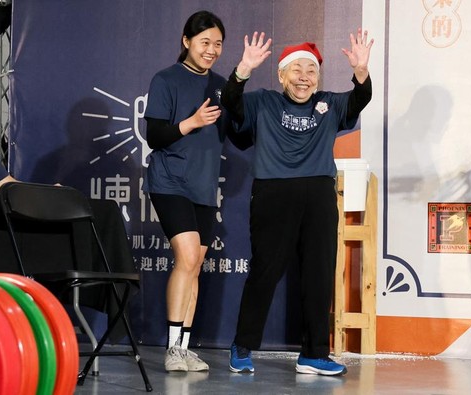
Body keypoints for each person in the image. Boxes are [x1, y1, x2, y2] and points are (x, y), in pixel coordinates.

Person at [222, 29, 374, 376]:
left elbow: (359, 99)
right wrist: (243, 68)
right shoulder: (263, 101)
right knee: (265, 270)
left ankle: (314, 353)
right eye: (296, 70)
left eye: (311, 70)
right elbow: (232, 101)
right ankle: (242, 345)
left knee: (319, 274)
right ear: (281, 75)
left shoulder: (330, 103)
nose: (303, 77)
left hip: (319, 194)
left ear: (318, 77)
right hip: (274, 193)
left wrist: (361, 70)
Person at [142, 10, 249, 372]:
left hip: (204, 187)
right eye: (205, 42)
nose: (211, 50)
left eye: (218, 44)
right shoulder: (166, 80)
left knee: (196, 264)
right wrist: (191, 122)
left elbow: (239, 135)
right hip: (169, 181)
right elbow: (154, 136)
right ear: (186, 41)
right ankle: (172, 349)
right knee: (187, 258)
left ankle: (185, 348)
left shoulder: (220, 85)